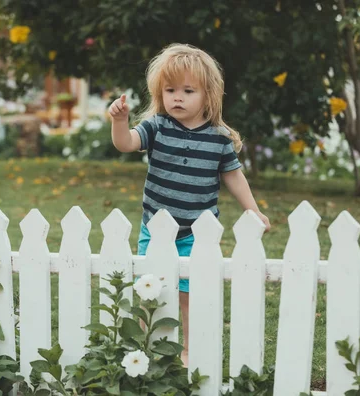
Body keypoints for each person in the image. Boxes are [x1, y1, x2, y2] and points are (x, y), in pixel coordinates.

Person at [109, 43, 271, 366]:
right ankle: (146, 348)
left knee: (188, 296)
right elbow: (125, 143)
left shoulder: (219, 137)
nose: (177, 97)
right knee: (149, 292)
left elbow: (234, 176)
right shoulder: (157, 126)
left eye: (187, 90)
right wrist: (120, 121)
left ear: (207, 95)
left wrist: (253, 210)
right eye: (170, 90)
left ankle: (187, 351)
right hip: (155, 230)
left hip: (197, 235)